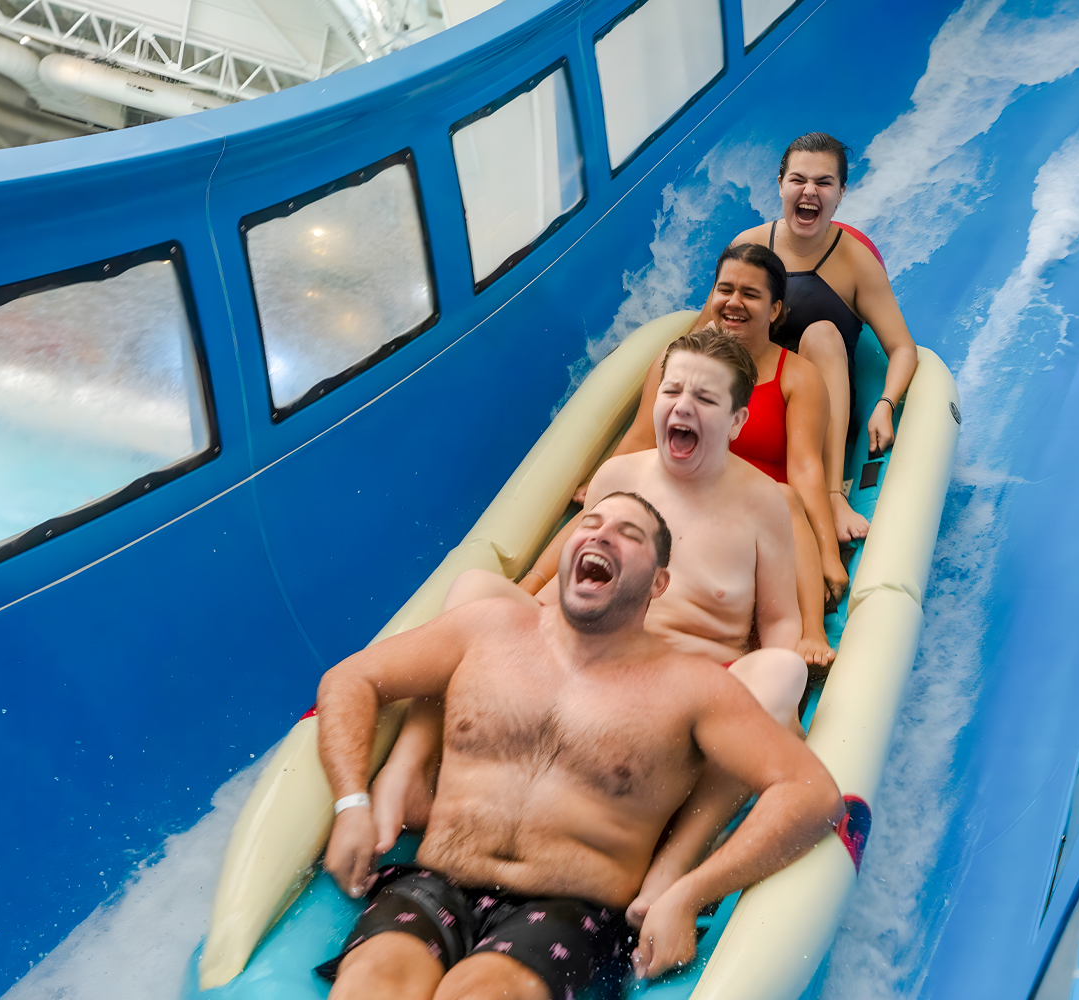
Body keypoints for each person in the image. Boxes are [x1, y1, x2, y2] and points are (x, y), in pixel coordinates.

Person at [372, 326, 819, 931]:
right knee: (475, 593)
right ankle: (410, 768)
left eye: (706, 400)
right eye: (673, 390)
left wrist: (777, 707)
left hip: (683, 697)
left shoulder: (763, 501)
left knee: (781, 668)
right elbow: (571, 572)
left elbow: (779, 621)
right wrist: (524, 596)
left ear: (738, 422)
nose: (683, 407)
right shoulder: (619, 477)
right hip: (581, 662)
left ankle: (675, 859)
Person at [316, 492, 844, 1000]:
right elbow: (351, 680)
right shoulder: (487, 629)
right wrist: (351, 802)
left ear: (658, 583)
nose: (602, 534)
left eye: (628, 533)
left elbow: (811, 792)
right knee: (371, 985)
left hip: (572, 910)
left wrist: (691, 891)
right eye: (591, 524)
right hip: (436, 884)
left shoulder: (692, 687)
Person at [601, 244, 847, 619]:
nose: (734, 302)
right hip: (684, 506)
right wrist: (600, 486)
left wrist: (827, 552)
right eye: (725, 290)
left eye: (750, 294)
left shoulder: (797, 377)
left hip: (756, 524)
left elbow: (806, 468)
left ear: (775, 309)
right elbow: (640, 440)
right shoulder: (677, 363)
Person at [733, 131, 919, 543]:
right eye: (798, 179)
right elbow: (712, 329)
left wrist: (885, 404)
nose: (809, 191)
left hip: (822, 420)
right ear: (780, 184)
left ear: (841, 193)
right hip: (759, 402)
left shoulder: (855, 262)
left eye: (824, 182)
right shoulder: (749, 248)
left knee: (821, 335)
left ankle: (833, 495)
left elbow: (902, 347)